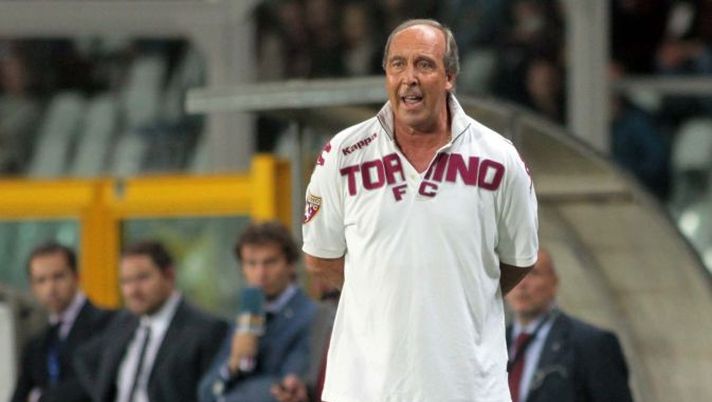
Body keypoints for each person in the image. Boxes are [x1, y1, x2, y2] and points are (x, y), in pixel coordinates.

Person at [302, 19, 539, 402]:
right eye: (398, 64)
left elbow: (519, 260)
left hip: (468, 390)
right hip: (363, 390)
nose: (409, 78)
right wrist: (383, 292)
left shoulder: (500, 158)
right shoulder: (342, 154)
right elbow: (319, 258)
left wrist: (458, 293)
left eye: (424, 65)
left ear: (450, 77)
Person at [74, 240, 227, 402]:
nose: (133, 290)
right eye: (125, 281)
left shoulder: (206, 330)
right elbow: (86, 361)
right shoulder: (122, 323)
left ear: (169, 275)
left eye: (142, 278)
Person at [199, 221, 316, 402]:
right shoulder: (244, 317)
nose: (260, 273)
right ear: (242, 268)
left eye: (270, 262)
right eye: (251, 264)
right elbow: (206, 392)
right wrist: (232, 366)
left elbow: (285, 390)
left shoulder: (311, 317)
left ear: (291, 264)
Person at [505, 249, 633, 402]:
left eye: (533, 273)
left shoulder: (591, 344)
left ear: (554, 283)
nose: (521, 284)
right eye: (514, 274)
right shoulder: (493, 343)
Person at [11, 242, 114, 402]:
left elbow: (93, 383)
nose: (50, 288)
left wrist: (39, 398)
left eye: (58, 277)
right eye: (41, 280)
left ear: (77, 277)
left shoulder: (108, 324)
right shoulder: (36, 344)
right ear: (32, 287)